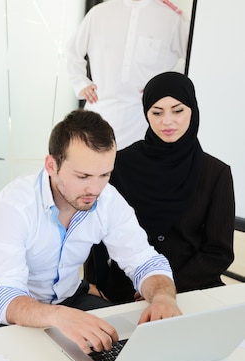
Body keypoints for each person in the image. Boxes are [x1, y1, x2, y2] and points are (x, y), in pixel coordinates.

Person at [0, 109, 182, 354]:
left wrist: (164, 297)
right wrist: (59, 316)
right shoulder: (15, 205)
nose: (94, 188)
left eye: (104, 175)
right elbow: (1, 296)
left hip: (71, 300)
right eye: (83, 176)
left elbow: (144, 261)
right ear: (51, 165)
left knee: (127, 350)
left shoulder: (107, 199)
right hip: (22, 311)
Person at [88, 72, 235, 303]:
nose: (167, 121)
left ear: (192, 111)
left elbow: (219, 252)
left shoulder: (215, 173)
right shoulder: (121, 164)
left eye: (178, 111)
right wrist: (93, 284)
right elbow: (96, 231)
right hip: (126, 290)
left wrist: (162, 287)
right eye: (157, 112)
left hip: (191, 288)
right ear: (146, 113)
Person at [66, 0, 189, 149]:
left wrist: (165, 86)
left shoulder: (171, 18)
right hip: (99, 110)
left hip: (144, 120)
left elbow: (195, 59)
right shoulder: (99, 13)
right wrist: (81, 83)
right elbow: (73, 52)